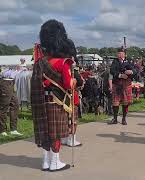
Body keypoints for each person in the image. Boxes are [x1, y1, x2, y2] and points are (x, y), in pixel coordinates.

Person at [31, 19, 76, 172]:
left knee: (45, 132)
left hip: (42, 102)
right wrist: (75, 81)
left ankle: (45, 161)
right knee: (55, 134)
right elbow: (68, 85)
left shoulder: (39, 62)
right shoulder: (64, 62)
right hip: (57, 103)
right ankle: (55, 163)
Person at [109, 47, 137, 125]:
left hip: (126, 84)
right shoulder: (115, 61)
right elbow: (112, 71)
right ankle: (115, 118)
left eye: (120, 53)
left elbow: (135, 70)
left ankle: (124, 119)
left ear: (124, 54)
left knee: (125, 103)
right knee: (116, 102)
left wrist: (131, 71)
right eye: (118, 53)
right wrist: (120, 75)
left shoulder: (129, 61)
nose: (119, 54)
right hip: (117, 83)